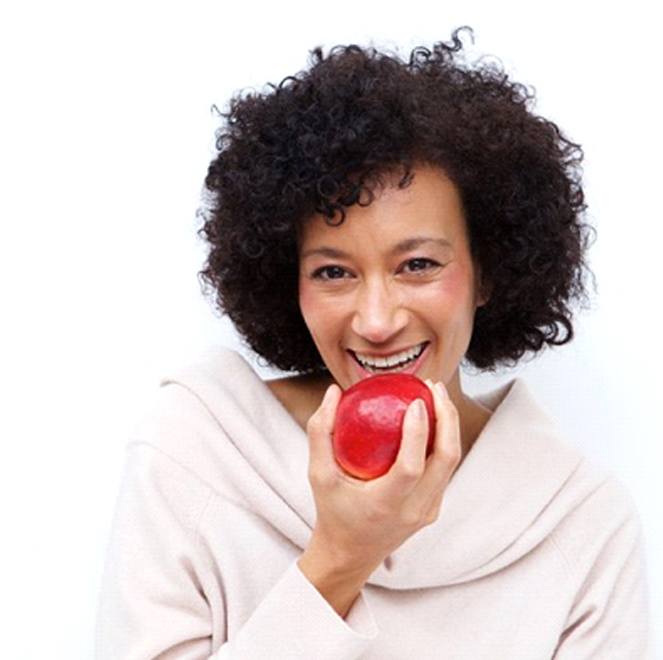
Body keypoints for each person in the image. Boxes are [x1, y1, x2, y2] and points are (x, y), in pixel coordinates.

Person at [94, 28, 652, 658]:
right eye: (334, 272)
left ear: (488, 271)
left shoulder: (581, 523)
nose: (377, 321)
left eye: (417, 265)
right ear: (289, 281)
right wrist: (339, 559)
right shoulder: (196, 451)